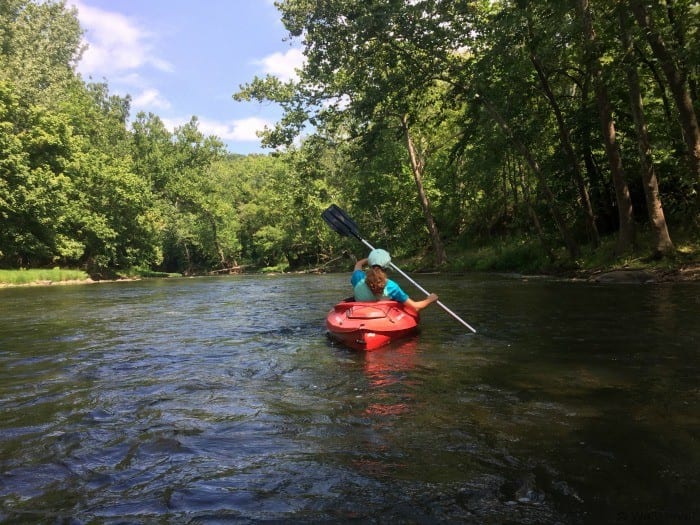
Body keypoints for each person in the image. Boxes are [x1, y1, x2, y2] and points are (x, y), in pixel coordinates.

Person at [350, 248, 438, 311]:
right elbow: (415, 307)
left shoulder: (358, 278)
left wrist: (370, 259)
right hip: (381, 317)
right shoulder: (391, 286)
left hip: (360, 314)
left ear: (369, 264)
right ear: (387, 267)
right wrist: (430, 299)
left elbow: (358, 264)